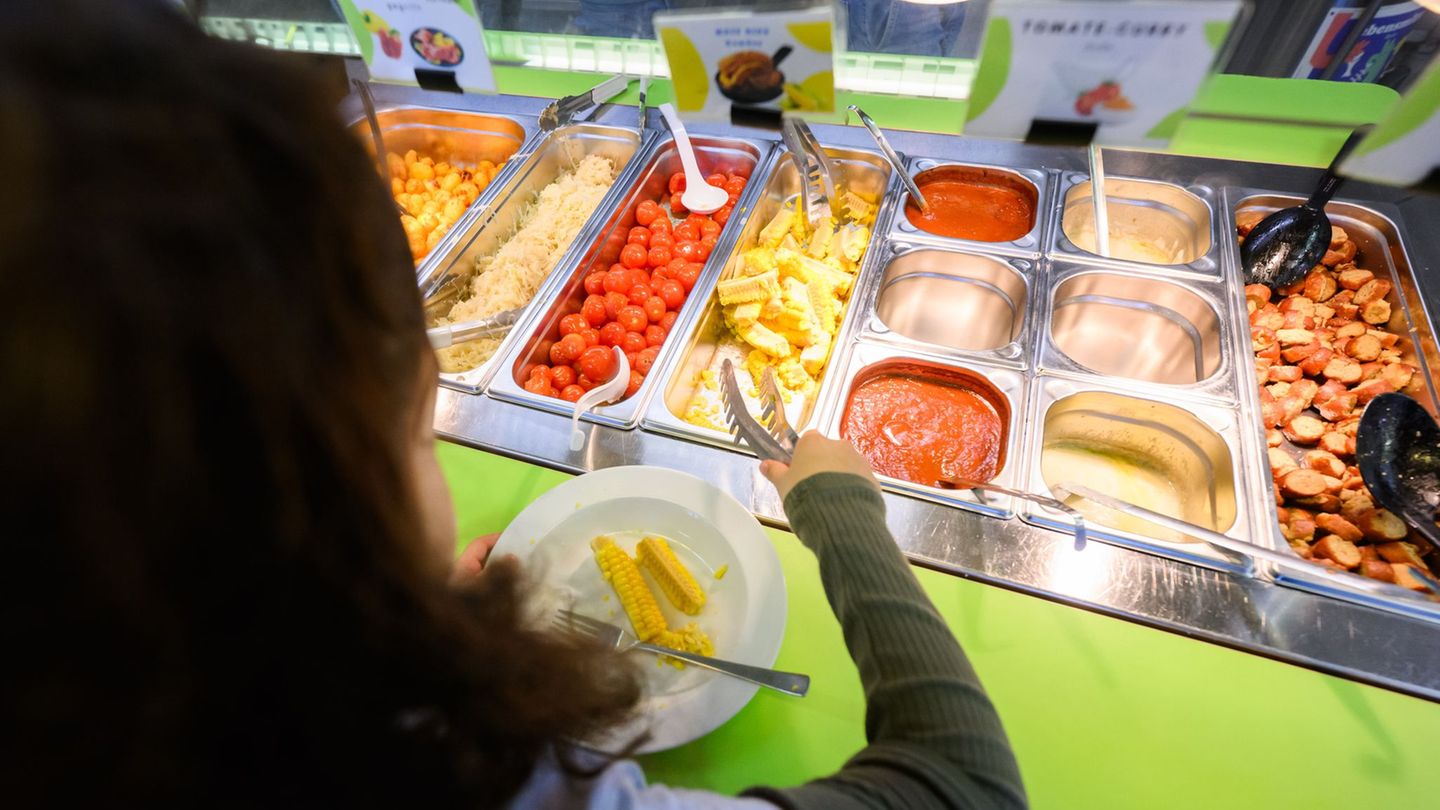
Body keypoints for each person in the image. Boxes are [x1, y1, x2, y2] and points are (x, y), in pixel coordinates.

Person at [0, 2, 1025, 808]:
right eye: (413, 423)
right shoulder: (472, 779)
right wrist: (843, 512)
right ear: (332, 489)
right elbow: (965, 783)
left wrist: (396, 615)